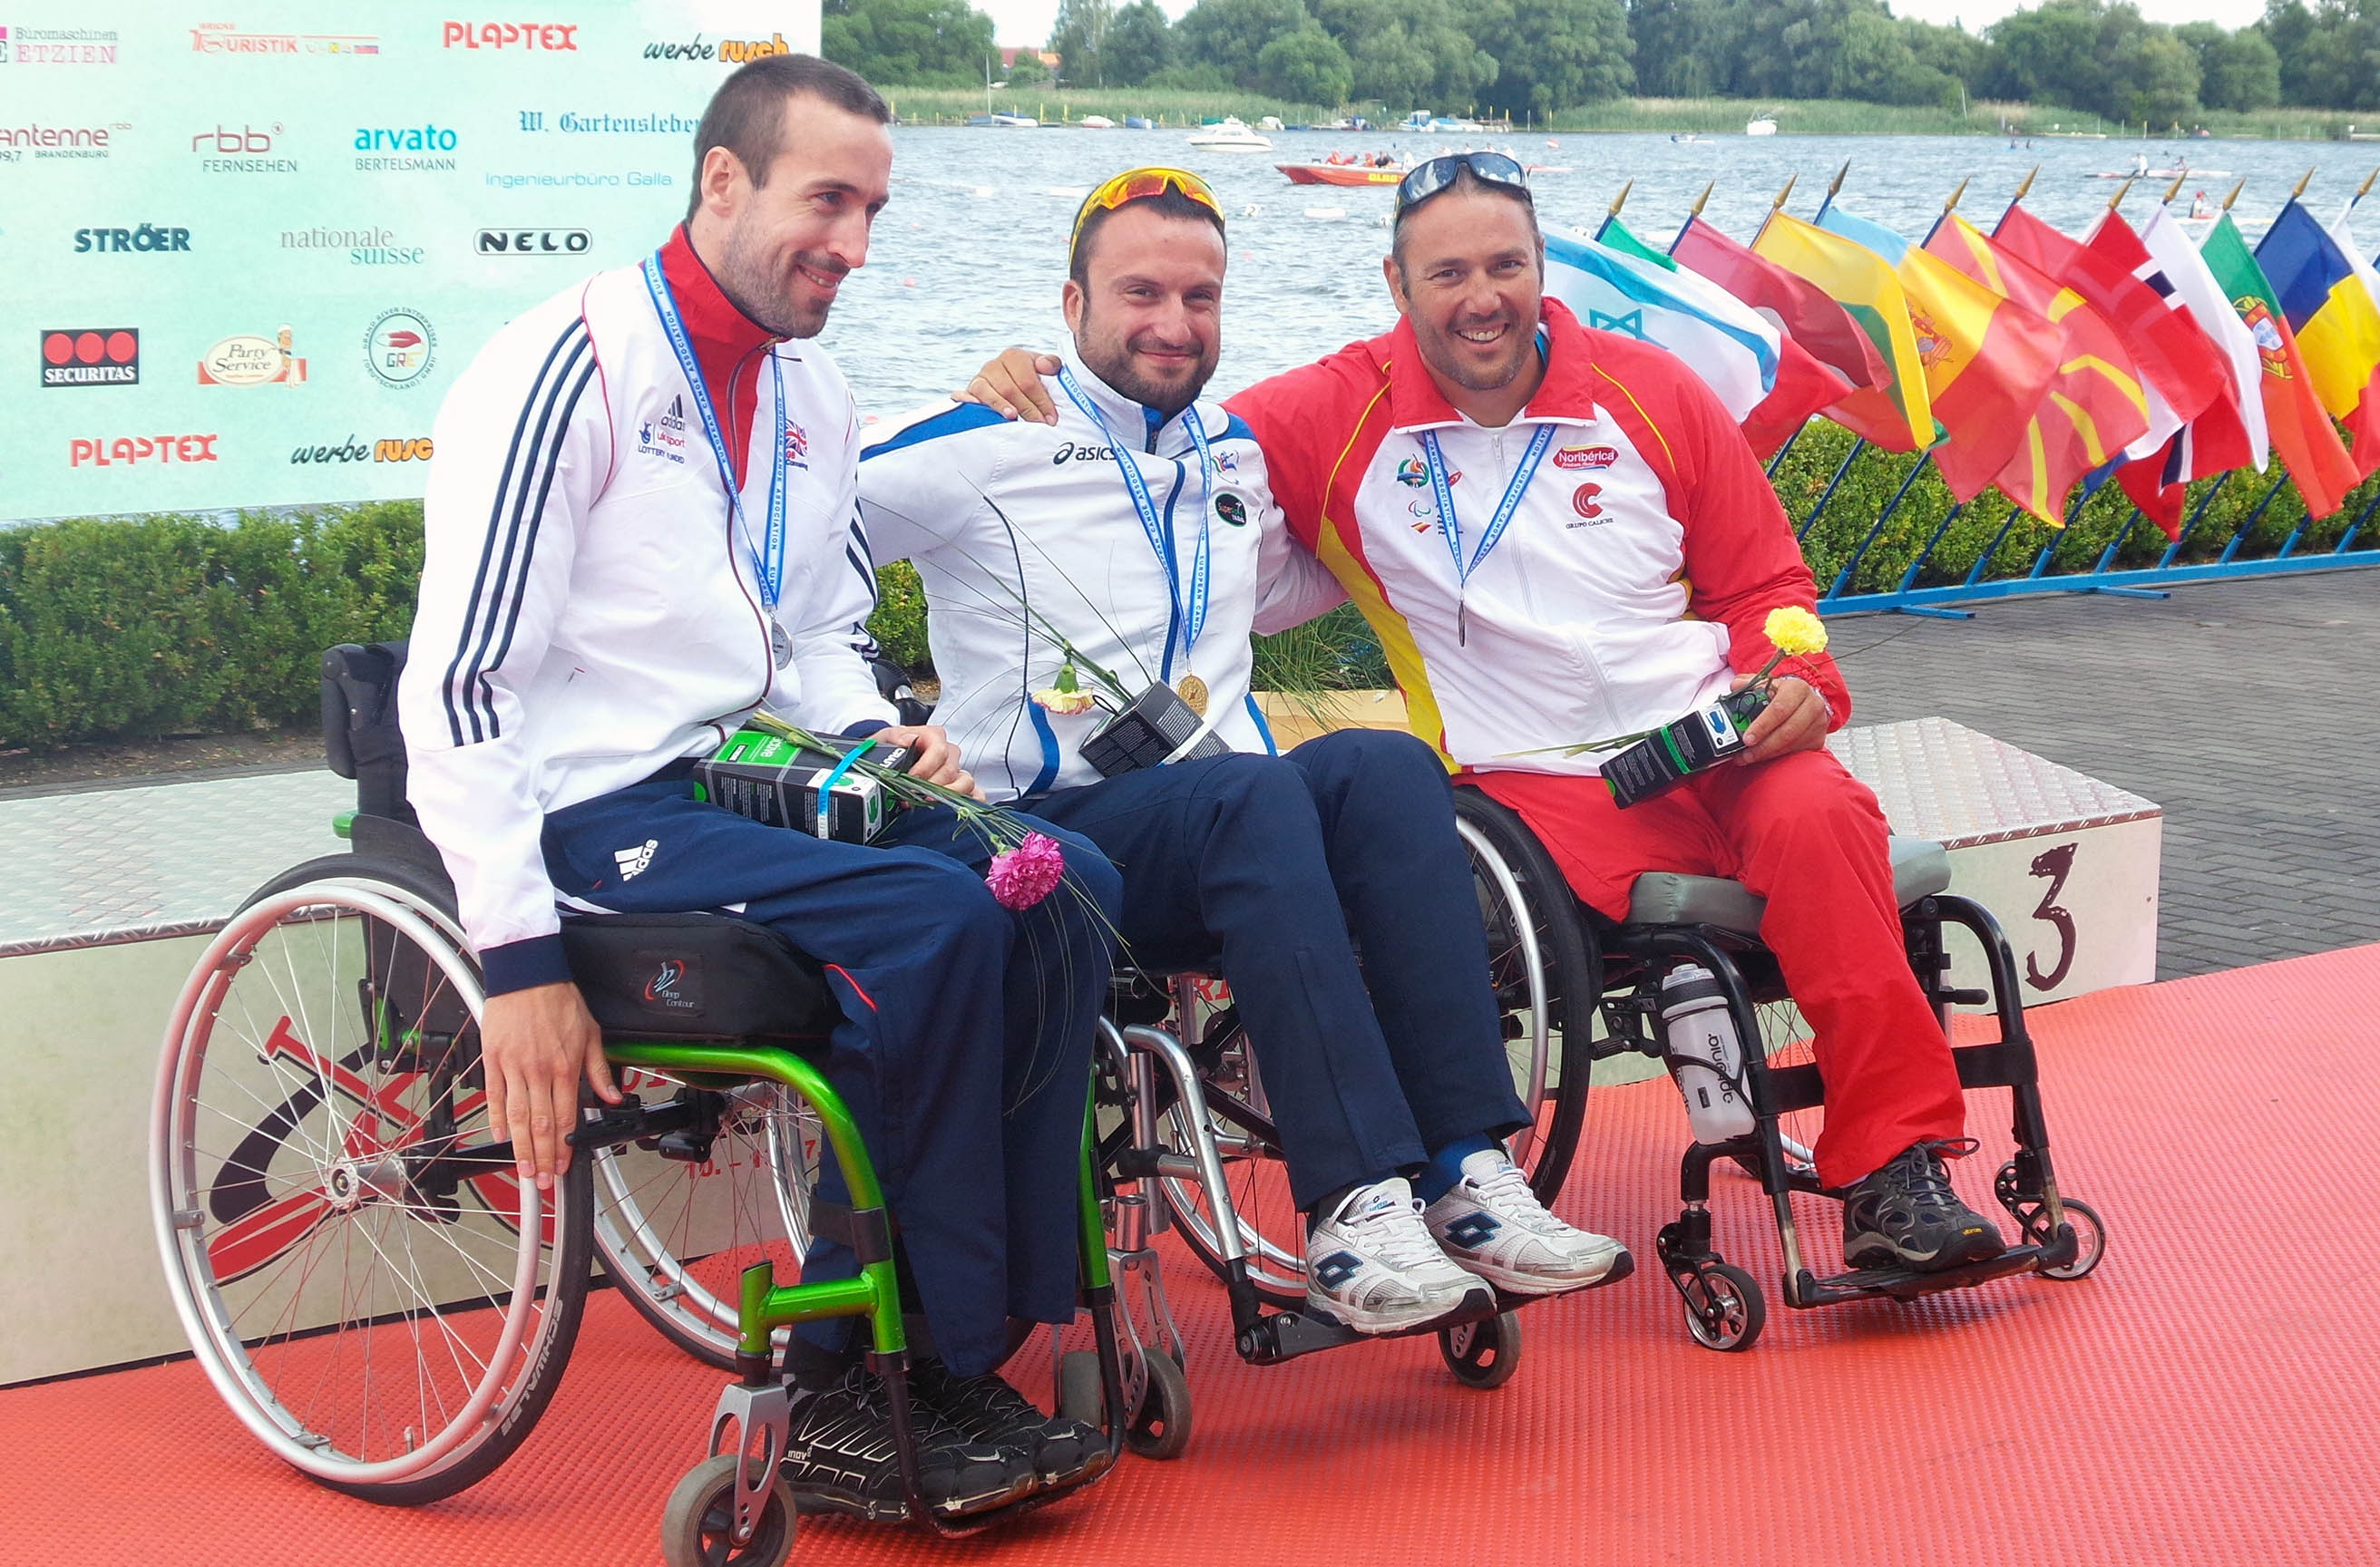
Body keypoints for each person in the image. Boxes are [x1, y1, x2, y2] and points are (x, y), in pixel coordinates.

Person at [963, 151, 2007, 1277]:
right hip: (1533, 788)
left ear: (1539, 268)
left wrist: (1798, 681)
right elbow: (1150, 437)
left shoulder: (1653, 392)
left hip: (1719, 744)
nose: (1480, 297)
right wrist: (1020, 391)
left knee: (1824, 825)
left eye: (1504, 264)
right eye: (1446, 271)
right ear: (1396, 285)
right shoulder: (1325, 414)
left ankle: (1896, 1172)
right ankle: (1447, 1179)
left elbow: (1766, 589)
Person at [396, 54, 1122, 1524]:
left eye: (871, 209)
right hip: (591, 801)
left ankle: (994, 1325)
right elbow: (461, 685)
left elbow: (808, 632)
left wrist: (867, 730)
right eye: (826, 200)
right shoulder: (570, 368)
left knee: (1067, 886)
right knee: (932, 922)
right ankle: (866, 1370)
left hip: (753, 774)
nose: (852, 243)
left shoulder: (809, 388)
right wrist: (518, 961)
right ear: (721, 181)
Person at [855, 167, 1629, 1340]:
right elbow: (794, 532)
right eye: (1141, 293)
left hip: (1228, 823)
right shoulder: (985, 441)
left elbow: (1347, 547)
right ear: (1073, 305)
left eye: (1200, 296)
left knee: (1385, 770)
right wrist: (859, 715)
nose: (1173, 323)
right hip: (1054, 831)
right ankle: (1353, 1203)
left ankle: (1470, 1174)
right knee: (1255, 793)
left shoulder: (1235, 451)